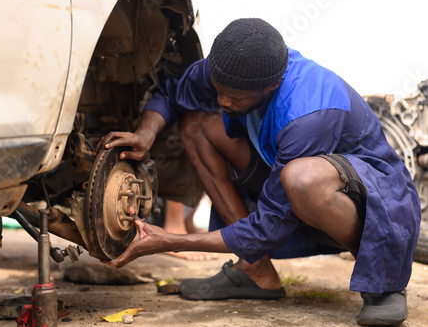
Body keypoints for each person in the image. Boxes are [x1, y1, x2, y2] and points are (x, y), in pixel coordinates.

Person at [98, 18, 421, 326]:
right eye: (218, 90)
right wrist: (145, 135)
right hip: (283, 176)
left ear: (273, 86)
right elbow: (172, 93)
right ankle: (256, 272)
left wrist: (174, 241)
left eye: (235, 97)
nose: (222, 100)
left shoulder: (309, 113)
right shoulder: (229, 68)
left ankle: (383, 280)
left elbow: (271, 225)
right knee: (196, 125)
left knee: (301, 178)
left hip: (366, 196)